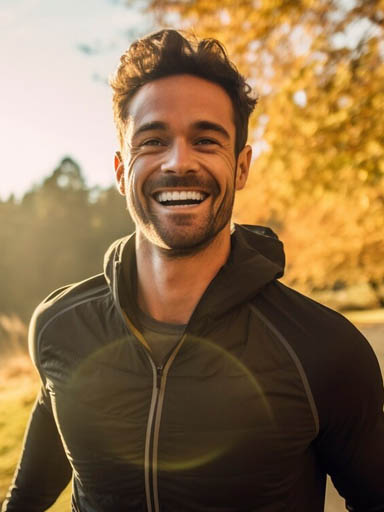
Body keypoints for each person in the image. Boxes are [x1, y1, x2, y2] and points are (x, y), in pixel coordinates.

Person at [2, 29, 384, 512]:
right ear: (121, 171)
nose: (179, 162)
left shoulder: (325, 351)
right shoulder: (60, 326)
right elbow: (32, 490)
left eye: (206, 140)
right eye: (153, 140)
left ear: (241, 167)